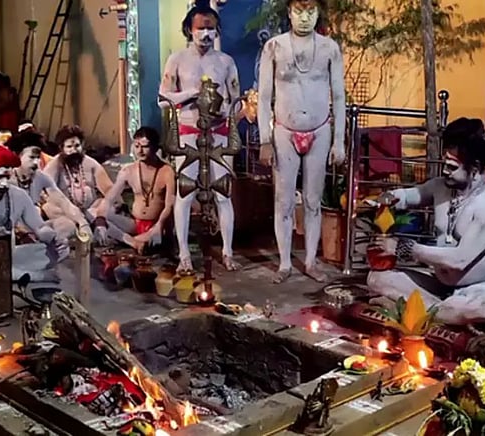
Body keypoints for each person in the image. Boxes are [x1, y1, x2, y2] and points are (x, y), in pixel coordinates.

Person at [367, 118, 485, 326]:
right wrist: (388, 198)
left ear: (475, 168)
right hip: (439, 285)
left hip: (480, 288)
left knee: (480, 307)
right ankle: (439, 313)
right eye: (444, 164)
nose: (444, 171)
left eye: (452, 167)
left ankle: (417, 310)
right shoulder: (440, 187)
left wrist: (405, 248)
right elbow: (412, 195)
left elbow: (459, 261)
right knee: (376, 279)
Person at [257, 0, 346, 283]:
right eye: (299, 11)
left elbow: (339, 96)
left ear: (318, 13)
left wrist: (339, 141)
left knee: (312, 200)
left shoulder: (330, 48)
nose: (304, 18)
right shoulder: (274, 46)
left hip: (319, 130)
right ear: (289, 12)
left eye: (310, 12)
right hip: (284, 130)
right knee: (283, 200)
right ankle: (284, 263)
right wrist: (264, 139)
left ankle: (310, 261)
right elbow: (264, 97)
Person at [158, 0, 241, 274]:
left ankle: (228, 252)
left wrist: (225, 109)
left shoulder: (226, 62)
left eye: (210, 29)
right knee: (185, 193)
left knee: (223, 194)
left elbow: (236, 100)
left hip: (218, 133)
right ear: (189, 30)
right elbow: (163, 98)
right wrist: (191, 95)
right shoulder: (177, 59)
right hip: (188, 133)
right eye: (200, 29)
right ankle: (184, 255)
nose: (205, 34)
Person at [0, 146, 69, 282]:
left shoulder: (18, 195)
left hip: (11, 256)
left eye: (7, 177)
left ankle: (14, 274)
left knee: (59, 250)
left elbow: (39, 227)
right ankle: (32, 276)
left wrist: (54, 238)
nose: (4, 184)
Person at [98, 127, 176, 252]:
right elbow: (109, 198)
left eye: (145, 147)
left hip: (158, 225)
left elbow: (169, 206)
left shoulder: (167, 171)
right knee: (95, 215)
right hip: (135, 223)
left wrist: (159, 225)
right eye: (137, 146)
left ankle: (127, 241)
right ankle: (131, 242)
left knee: (151, 241)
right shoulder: (128, 171)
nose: (140, 151)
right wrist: (100, 219)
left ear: (155, 148)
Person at [6, 131, 91, 241]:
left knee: (67, 224)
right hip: (13, 229)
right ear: (18, 156)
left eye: (38, 158)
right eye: (31, 157)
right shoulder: (7, 179)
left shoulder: (40, 177)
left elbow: (63, 201)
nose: (36, 162)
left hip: (36, 228)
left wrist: (83, 223)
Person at [43, 125, 117, 245]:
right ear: (61, 148)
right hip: (64, 213)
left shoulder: (91, 164)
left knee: (104, 206)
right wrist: (78, 217)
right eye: (69, 147)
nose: (74, 150)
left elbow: (109, 189)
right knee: (50, 208)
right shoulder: (54, 166)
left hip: (90, 211)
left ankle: (99, 228)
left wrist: (105, 211)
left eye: (77, 146)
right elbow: (52, 194)